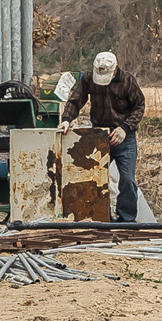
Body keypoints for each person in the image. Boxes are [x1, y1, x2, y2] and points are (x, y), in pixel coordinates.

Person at [58, 51, 146, 222]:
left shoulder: (128, 81)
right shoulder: (89, 79)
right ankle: (98, 216)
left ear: (115, 70)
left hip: (123, 137)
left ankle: (126, 219)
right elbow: (76, 100)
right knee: (94, 178)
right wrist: (67, 120)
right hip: (99, 135)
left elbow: (139, 106)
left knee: (127, 180)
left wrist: (125, 127)